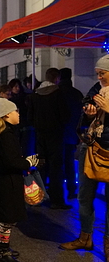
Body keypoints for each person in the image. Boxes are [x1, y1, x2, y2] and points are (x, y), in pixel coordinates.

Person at [59, 54, 109, 262]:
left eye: (103, 73)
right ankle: (85, 237)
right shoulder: (97, 89)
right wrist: (89, 109)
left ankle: (107, 244)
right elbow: (87, 99)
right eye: (97, 74)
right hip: (91, 148)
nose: (99, 78)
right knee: (84, 196)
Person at [0, 98, 39, 262]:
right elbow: (12, 161)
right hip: (7, 183)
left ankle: (1, 244)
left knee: (8, 218)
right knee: (8, 218)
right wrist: (29, 163)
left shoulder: (6, 133)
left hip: (5, 180)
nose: (18, 114)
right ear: (7, 115)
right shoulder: (7, 135)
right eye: (16, 111)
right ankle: (2, 249)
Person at [27, 68, 71, 209]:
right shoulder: (58, 94)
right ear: (56, 78)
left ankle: (38, 198)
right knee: (56, 168)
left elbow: (30, 117)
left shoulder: (35, 95)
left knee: (41, 166)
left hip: (40, 134)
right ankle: (56, 200)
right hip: (56, 135)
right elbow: (65, 115)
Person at [58, 68, 84, 199]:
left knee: (57, 162)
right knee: (69, 162)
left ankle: (56, 191)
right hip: (72, 133)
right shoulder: (76, 94)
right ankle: (72, 189)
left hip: (57, 134)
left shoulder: (56, 93)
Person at [9, 78, 34, 156]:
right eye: (15, 86)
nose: (17, 88)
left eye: (18, 86)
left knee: (26, 145)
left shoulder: (25, 97)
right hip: (14, 125)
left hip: (24, 123)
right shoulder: (9, 99)